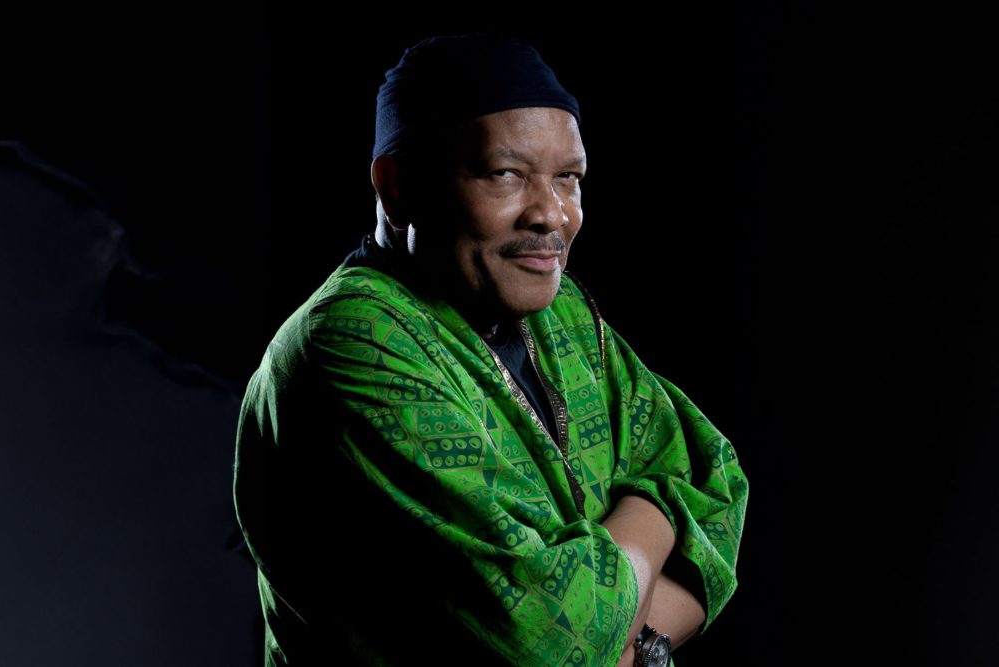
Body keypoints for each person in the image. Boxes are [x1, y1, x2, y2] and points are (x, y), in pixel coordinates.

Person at [233, 33, 749, 667]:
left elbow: (715, 481)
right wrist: (661, 507)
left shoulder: (561, 312)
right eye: (506, 175)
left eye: (569, 179)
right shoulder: (351, 343)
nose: (551, 215)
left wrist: (627, 646)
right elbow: (547, 645)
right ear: (398, 187)